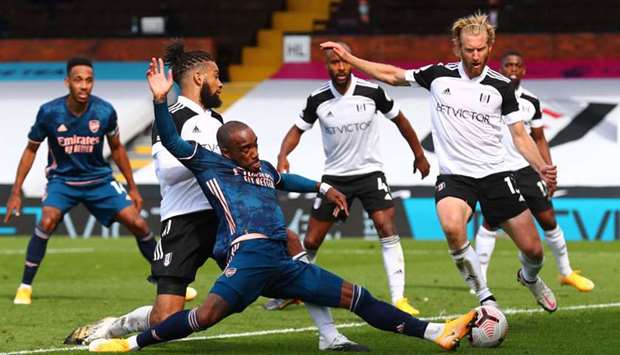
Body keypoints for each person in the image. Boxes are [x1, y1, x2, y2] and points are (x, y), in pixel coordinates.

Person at [87, 57, 476, 352]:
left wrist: (323, 188)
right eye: (245, 148)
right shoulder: (212, 162)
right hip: (229, 245)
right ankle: (128, 342)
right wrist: (160, 100)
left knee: (356, 295)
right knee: (198, 317)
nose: (254, 153)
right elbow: (172, 148)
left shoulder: (257, 163)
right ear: (226, 151)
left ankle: (433, 331)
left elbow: (283, 177)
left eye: (255, 145)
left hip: (274, 258)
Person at [67, 43, 366, 352]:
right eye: (216, 76)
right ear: (198, 78)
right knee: (164, 321)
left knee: (289, 243)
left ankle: (330, 336)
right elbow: (168, 172)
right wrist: (208, 161)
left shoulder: (219, 123)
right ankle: (113, 326)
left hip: (225, 217)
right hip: (184, 222)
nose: (221, 83)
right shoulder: (172, 118)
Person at [320, 12, 559, 313]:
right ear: (457, 48)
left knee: (534, 251)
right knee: (451, 226)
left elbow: (521, 137)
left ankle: (529, 278)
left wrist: (543, 168)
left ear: (490, 47)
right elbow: (393, 75)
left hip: (497, 175)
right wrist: (351, 60)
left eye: (481, 49)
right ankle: (485, 297)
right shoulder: (438, 75)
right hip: (455, 177)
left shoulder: (501, 87)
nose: (475, 55)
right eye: (469, 49)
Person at [271, 42, 430, 315]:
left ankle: (399, 298)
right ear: (327, 65)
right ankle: (294, 291)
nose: (341, 67)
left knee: (385, 226)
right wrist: (283, 156)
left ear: (351, 62)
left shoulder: (372, 92)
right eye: (334, 63)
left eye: (344, 62)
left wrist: (419, 154)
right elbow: (297, 130)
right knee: (310, 242)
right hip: (336, 179)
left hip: (371, 174)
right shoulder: (318, 99)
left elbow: (401, 121)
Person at [4, 57, 156, 305]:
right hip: (62, 181)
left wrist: (133, 187)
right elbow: (31, 150)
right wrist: (16, 191)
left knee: (138, 223)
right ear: (67, 82)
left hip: (99, 180)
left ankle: (165, 279)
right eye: (78, 80)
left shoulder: (104, 111)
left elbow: (117, 149)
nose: (84, 86)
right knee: (47, 220)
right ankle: (25, 286)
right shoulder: (49, 112)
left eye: (89, 80)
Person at [474, 50, 594, 292]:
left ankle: (566, 272)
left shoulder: (531, 101)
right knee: (490, 222)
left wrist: (546, 170)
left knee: (548, 218)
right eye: (508, 65)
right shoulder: (487, 96)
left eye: (517, 65)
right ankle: (480, 280)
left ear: (523, 70)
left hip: (525, 169)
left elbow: (539, 138)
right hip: (497, 169)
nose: (513, 69)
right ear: (501, 68)